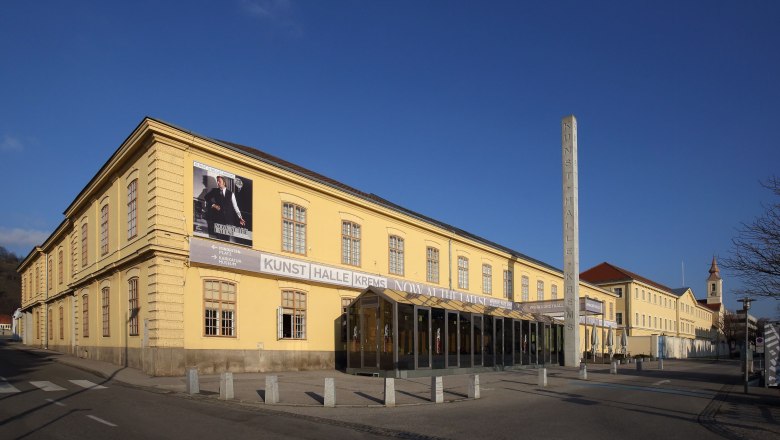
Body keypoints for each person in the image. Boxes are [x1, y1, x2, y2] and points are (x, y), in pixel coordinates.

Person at [205, 175, 246, 240]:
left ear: (224, 183)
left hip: (228, 220)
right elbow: (206, 198)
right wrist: (214, 205)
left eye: (219, 181)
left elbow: (235, 207)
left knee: (226, 239)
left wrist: (240, 217)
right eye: (217, 181)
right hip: (218, 218)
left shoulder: (231, 194)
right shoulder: (214, 191)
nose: (218, 183)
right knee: (219, 238)